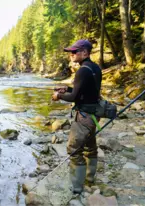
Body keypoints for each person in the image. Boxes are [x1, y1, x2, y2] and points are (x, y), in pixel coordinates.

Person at [52, 39, 102, 194]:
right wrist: (66, 88)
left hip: (84, 117)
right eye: (71, 52)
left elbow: (74, 97)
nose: (71, 55)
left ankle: (77, 188)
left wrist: (58, 96)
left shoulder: (82, 71)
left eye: (75, 52)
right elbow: (85, 90)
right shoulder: (95, 68)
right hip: (94, 115)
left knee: (74, 149)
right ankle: (90, 179)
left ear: (85, 52)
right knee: (90, 147)